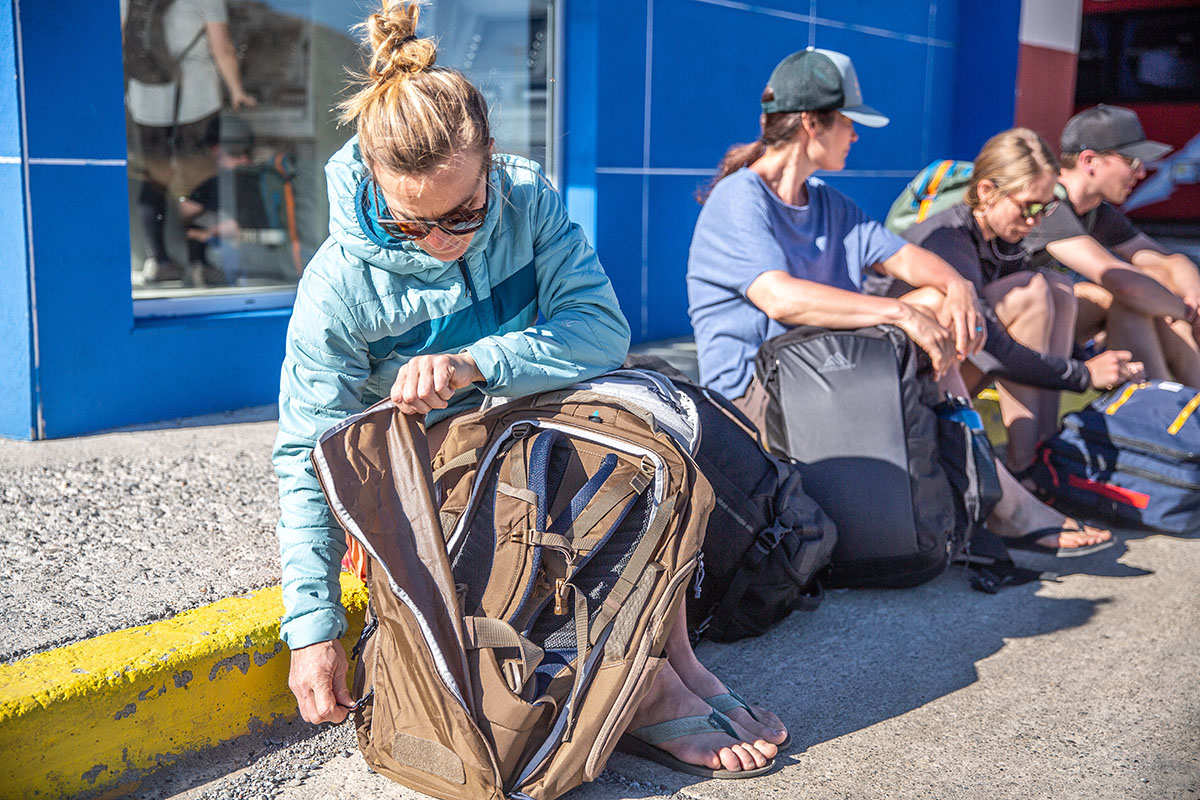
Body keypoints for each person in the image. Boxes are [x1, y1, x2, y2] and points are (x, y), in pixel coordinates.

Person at [274, 0, 781, 777]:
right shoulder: (337, 288)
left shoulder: (527, 198)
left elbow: (601, 329)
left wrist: (479, 362)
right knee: (560, 466)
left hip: (523, 421)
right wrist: (311, 626)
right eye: (411, 226)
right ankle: (642, 692)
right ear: (375, 183)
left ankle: (672, 654)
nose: (443, 245)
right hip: (439, 482)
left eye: (465, 213)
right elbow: (307, 454)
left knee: (655, 413)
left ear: (491, 162)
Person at [686, 48, 1111, 556]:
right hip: (755, 398)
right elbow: (779, 298)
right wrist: (900, 310)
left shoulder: (825, 202)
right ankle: (1001, 498)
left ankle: (993, 492)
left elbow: (908, 259)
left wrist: (955, 288)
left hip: (821, 376)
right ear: (810, 123)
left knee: (936, 298)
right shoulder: (741, 198)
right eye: (849, 122)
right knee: (919, 312)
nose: (856, 134)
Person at [870, 128, 1144, 472]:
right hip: (896, 386)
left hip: (943, 366)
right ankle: (1025, 467)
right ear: (986, 192)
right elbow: (994, 347)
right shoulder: (948, 240)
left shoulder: (1003, 239)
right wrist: (1084, 374)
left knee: (1057, 286)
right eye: (1027, 207)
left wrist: (1098, 362)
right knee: (1034, 294)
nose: (1036, 221)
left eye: (1046, 208)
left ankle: (1045, 452)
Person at [1023, 104, 1200, 387]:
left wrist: (1194, 296)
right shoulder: (1046, 204)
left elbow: (1167, 261)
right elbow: (1119, 279)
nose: (1141, 173)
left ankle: (1180, 412)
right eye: (1132, 162)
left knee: (1152, 288)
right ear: (1089, 160)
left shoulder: (1095, 210)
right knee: (1130, 298)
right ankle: (1159, 415)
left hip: (1044, 318)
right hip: (996, 319)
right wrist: (1186, 313)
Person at [122, 0, 256, 284]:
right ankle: (199, 263)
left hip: (145, 99)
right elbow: (224, 49)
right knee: (198, 180)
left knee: (153, 177)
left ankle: (159, 261)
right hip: (197, 100)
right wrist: (238, 92)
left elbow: (120, 43)